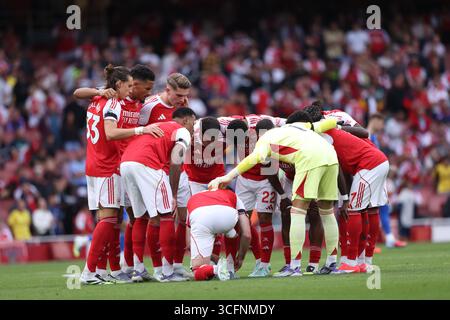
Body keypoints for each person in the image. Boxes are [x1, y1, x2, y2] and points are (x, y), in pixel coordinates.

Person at [209, 113, 339, 276]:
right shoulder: (299, 127)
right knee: (327, 213)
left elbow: (252, 159)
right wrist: (338, 123)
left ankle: (294, 267)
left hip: (309, 159)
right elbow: (326, 124)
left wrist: (228, 176)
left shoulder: (265, 140)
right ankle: (332, 264)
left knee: (297, 212)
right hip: (331, 157)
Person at [73, 64, 160, 277]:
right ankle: (90, 271)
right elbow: (110, 133)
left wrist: (98, 91)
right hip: (109, 165)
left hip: (94, 164)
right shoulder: (112, 102)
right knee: (110, 219)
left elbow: (77, 93)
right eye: (128, 85)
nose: (131, 89)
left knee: (111, 219)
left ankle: (105, 270)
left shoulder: (99, 99)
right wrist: (142, 129)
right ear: (119, 84)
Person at [305, 104, 389, 274]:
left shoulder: (322, 135)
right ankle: (363, 261)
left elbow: (337, 169)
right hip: (376, 160)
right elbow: (363, 133)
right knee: (368, 210)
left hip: (368, 165)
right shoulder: (335, 120)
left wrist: (344, 197)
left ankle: (350, 263)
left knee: (354, 211)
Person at [120, 107, 196, 282]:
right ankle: (167, 273)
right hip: (147, 163)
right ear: (186, 120)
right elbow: (177, 160)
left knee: (141, 217)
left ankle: (139, 270)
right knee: (166, 215)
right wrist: (174, 195)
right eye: (194, 121)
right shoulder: (182, 131)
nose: (194, 126)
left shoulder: (159, 125)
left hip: (126, 163)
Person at [136, 73, 193, 280]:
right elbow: (136, 133)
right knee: (157, 219)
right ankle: (159, 267)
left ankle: (177, 265)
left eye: (186, 95)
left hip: (180, 170)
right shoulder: (149, 106)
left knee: (183, 218)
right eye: (179, 94)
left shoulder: (182, 107)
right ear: (167, 90)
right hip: (154, 170)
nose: (183, 99)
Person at [187, 188, 251, 281]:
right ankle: (229, 267)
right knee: (236, 223)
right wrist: (240, 258)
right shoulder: (232, 195)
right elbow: (247, 234)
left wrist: (213, 258)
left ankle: (216, 269)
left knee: (198, 271)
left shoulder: (193, 198)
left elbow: (189, 244)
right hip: (227, 217)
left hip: (201, 217)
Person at [368, 113, 407, 248]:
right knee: (368, 210)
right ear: (375, 120)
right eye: (381, 123)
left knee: (383, 207)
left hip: (377, 178)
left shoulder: (374, 138)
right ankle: (367, 243)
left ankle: (389, 238)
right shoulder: (367, 135)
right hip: (369, 178)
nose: (382, 126)